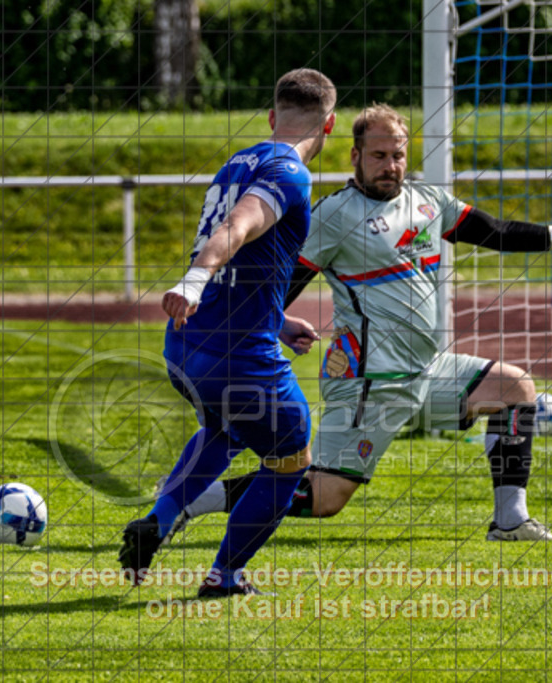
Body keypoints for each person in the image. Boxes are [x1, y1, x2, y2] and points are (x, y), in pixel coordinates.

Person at [166, 104, 552, 544]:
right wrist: (253, 322)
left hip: (427, 372)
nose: (389, 165)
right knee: (325, 497)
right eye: (378, 155)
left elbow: (493, 232)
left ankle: (510, 520)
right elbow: (283, 282)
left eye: (397, 155)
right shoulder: (332, 216)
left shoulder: (429, 201)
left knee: (514, 388)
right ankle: (195, 498)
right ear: (355, 155)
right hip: (367, 384)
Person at [118, 68, 336, 597]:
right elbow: (237, 227)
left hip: (187, 344)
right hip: (237, 356)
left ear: (270, 117)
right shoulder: (290, 173)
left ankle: (159, 518)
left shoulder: (237, 162)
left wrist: (277, 321)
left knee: (228, 430)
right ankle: (225, 575)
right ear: (329, 127)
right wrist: (193, 282)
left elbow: (241, 254)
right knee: (291, 457)